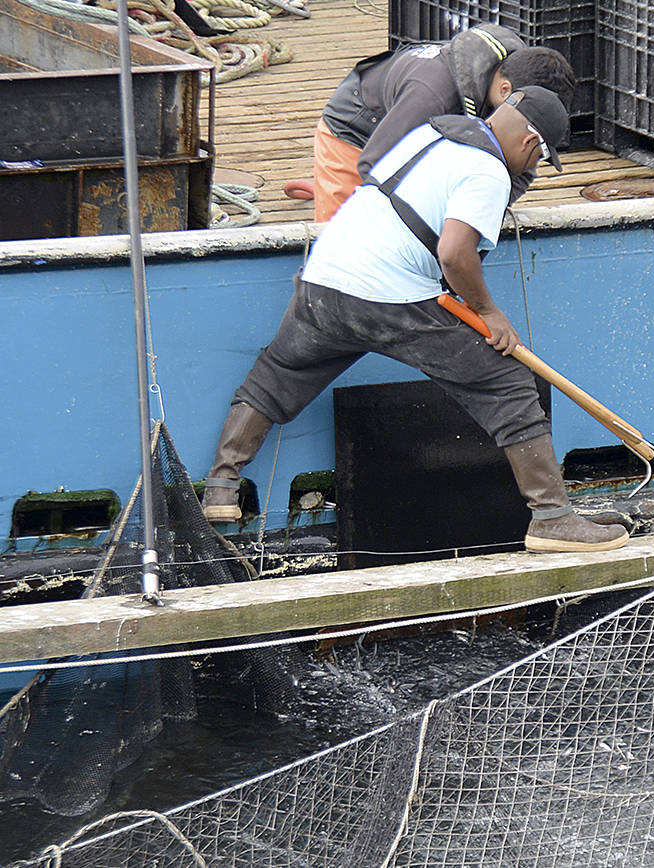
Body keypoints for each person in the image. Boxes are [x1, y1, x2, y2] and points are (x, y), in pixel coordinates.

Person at [201, 86, 629, 554]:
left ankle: (221, 486)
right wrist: (489, 312)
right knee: (506, 384)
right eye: (538, 162)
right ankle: (552, 518)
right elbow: (454, 253)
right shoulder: (486, 171)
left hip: (324, 280)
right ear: (530, 144)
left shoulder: (431, 132)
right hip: (389, 296)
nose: (530, 171)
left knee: (280, 373)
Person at [305, 23, 576, 222]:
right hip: (357, 135)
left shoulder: (519, 88)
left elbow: (522, 169)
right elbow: (373, 165)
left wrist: (479, 210)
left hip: (424, 133)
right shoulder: (432, 94)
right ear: (506, 90)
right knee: (341, 242)